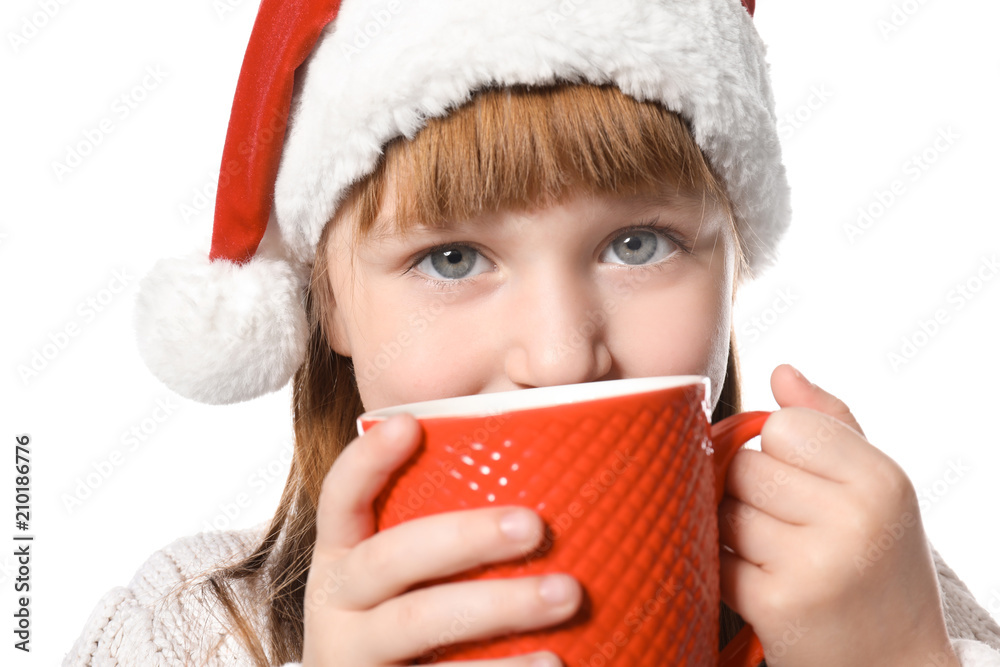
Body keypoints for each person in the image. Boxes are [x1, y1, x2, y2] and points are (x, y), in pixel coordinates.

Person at [64, 0, 1000, 665]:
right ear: (328, 303)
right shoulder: (192, 633)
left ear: (731, 266)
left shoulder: (871, 589)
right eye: (454, 259)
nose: (558, 357)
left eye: (639, 243)